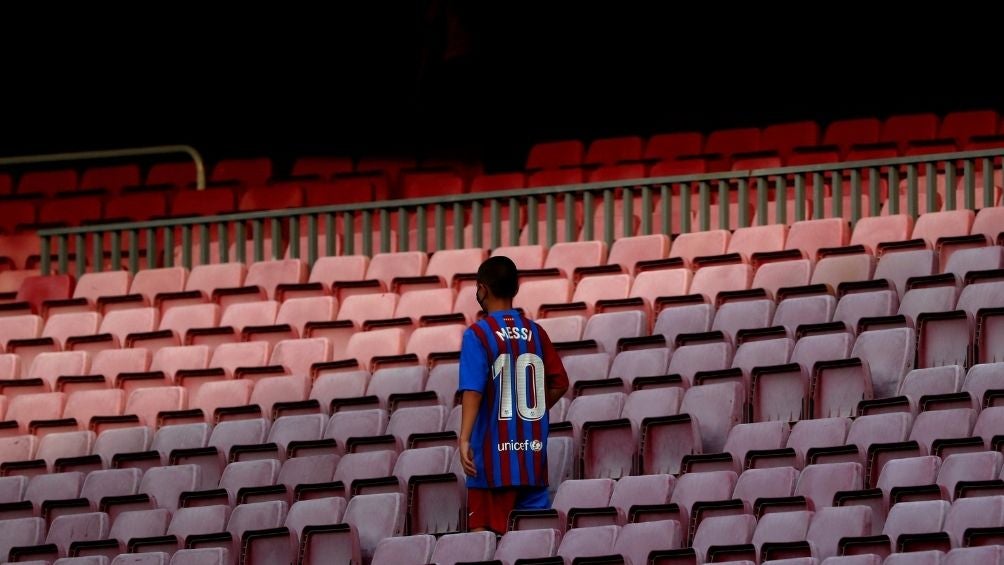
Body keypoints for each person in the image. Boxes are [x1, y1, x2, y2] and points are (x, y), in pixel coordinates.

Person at [458, 255, 569, 534]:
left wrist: (464, 437)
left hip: (491, 465)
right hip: (531, 461)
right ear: (515, 289)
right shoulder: (535, 332)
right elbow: (560, 382)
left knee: (485, 545)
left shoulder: (478, 334)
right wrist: (533, 407)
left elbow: (473, 390)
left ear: (481, 288)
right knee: (533, 544)